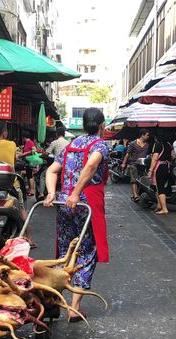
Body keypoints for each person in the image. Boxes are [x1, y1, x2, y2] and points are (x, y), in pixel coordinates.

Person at [44, 108, 109, 322]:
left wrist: (53, 193)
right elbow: (91, 165)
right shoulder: (100, 144)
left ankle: (53, 300)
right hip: (85, 204)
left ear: (82, 124)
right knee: (86, 252)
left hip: (64, 203)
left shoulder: (70, 145)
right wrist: (76, 193)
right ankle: (74, 309)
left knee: (65, 251)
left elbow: (51, 171)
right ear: (101, 125)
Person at [0, 121, 34, 246]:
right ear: (4, 133)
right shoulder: (12, 144)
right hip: (11, 185)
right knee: (21, 208)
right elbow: (14, 161)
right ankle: (29, 238)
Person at [121, 129, 150, 202]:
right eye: (147, 135)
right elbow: (127, 154)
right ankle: (135, 195)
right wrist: (124, 163)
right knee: (133, 179)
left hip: (144, 165)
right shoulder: (133, 143)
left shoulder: (147, 145)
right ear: (142, 135)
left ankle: (139, 192)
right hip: (134, 164)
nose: (148, 137)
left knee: (142, 180)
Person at [148, 134, 173, 215]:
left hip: (159, 167)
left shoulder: (158, 145)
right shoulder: (169, 145)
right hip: (167, 166)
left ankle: (164, 209)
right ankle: (159, 205)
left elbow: (155, 158)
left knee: (160, 188)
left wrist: (150, 170)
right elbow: (173, 155)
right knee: (162, 187)